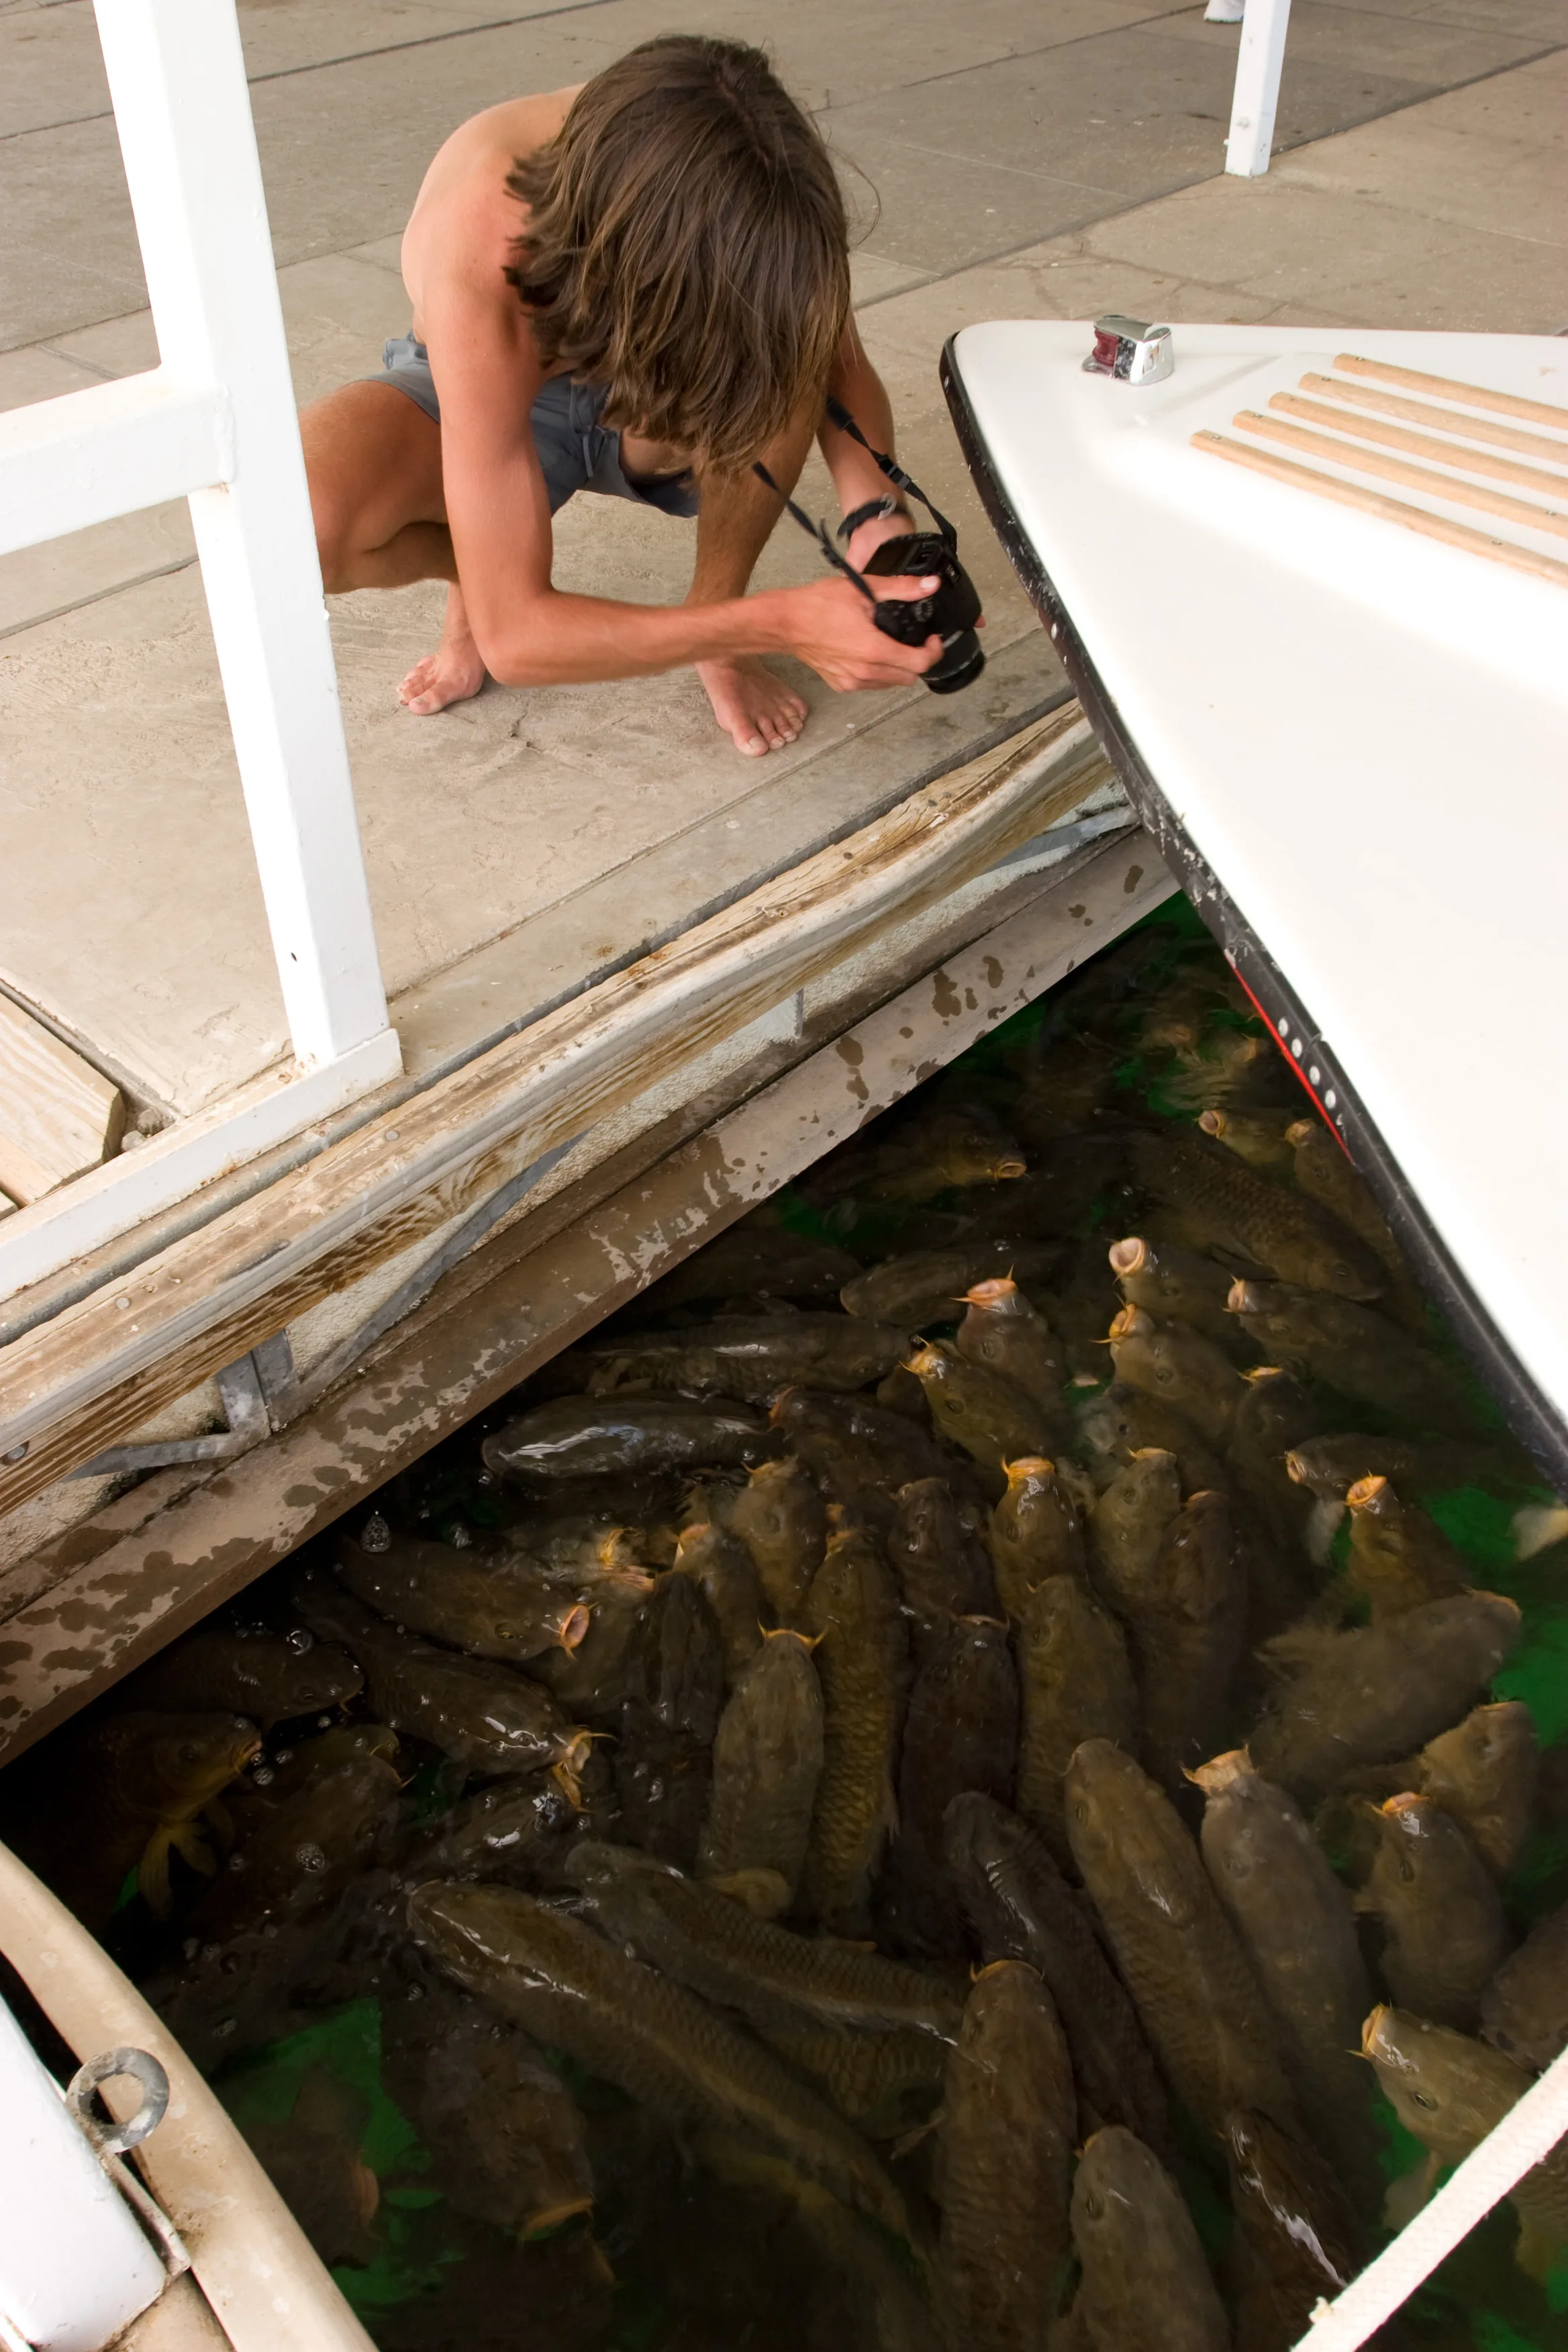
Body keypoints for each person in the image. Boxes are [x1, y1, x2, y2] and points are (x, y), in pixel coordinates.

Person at [301, 35, 956, 758]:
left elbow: (829, 345)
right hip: (488, 385)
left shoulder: (732, 173)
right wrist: (776, 621)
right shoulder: (482, 246)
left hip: (648, 373)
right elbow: (520, 646)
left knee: (775, 362)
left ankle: (713, 628)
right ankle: (483, 576)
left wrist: (875, 513)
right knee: (304, 524)